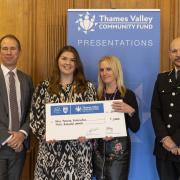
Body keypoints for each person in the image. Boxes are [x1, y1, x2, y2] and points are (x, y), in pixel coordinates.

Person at [30, 45, 97, 180]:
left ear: (77, 64)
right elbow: (34, 118)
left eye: (72, 60)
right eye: (64, 58)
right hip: (50, 155)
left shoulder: (87, 88)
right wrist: (45, 134)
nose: (68, 63)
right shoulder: (44, 87)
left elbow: (94, 118)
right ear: (57, 61)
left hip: (79, 156)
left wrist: (89, 134)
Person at [93, 55, 140, 180]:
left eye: (109, 69)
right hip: (98, 150)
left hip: (119, 151)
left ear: (116, 71)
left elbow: (135, 127)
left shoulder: (127, 94)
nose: (104, 73)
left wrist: (130, 110)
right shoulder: (95, 95)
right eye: (101, 70)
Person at [0, 34, 33, 180]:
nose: (9, 52)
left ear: (19, 52)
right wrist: (10, 138)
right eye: (5, 48)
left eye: (13, 48)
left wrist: (22, 134)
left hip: (19, 148)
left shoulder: (26, 79)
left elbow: (31, 112)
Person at [151, 37, 180, 180]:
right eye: (174, 51)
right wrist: (164, 138)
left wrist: (176, 142)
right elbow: (155, 110)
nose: (178, 55)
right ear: (169, 54)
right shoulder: (162, 78)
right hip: (164, 148)